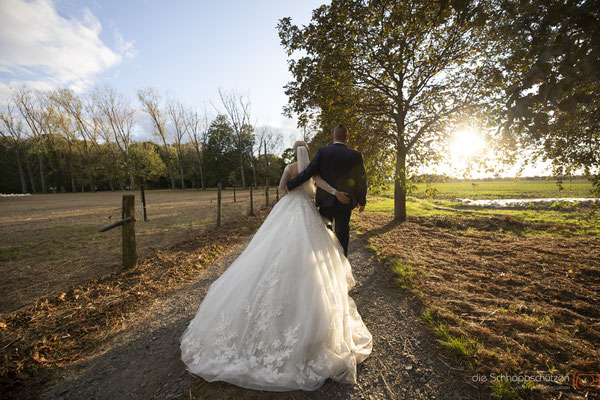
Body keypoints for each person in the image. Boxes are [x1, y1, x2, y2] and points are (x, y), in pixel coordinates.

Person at [180, 140, 372, 391]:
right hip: (308, 213)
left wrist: (293, 192)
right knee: (311, 254)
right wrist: (332, 193)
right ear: (307, 154)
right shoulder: (313, 171)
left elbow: (283, 189)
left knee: (272, 249)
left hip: (289, 210)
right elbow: (321, 185)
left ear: (294, 152)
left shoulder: (290, 168)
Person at [287, 124, 367, 256]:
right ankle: (342, 263)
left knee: (325, 233)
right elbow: (362, 179)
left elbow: (308, 172)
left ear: (332, 137)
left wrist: (291, 185)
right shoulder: (356, 155)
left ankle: (326, 265)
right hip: (345, 201)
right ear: (347, 137)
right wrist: (362, 200)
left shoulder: (322, 152)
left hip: (325, 200)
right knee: (342, 234)